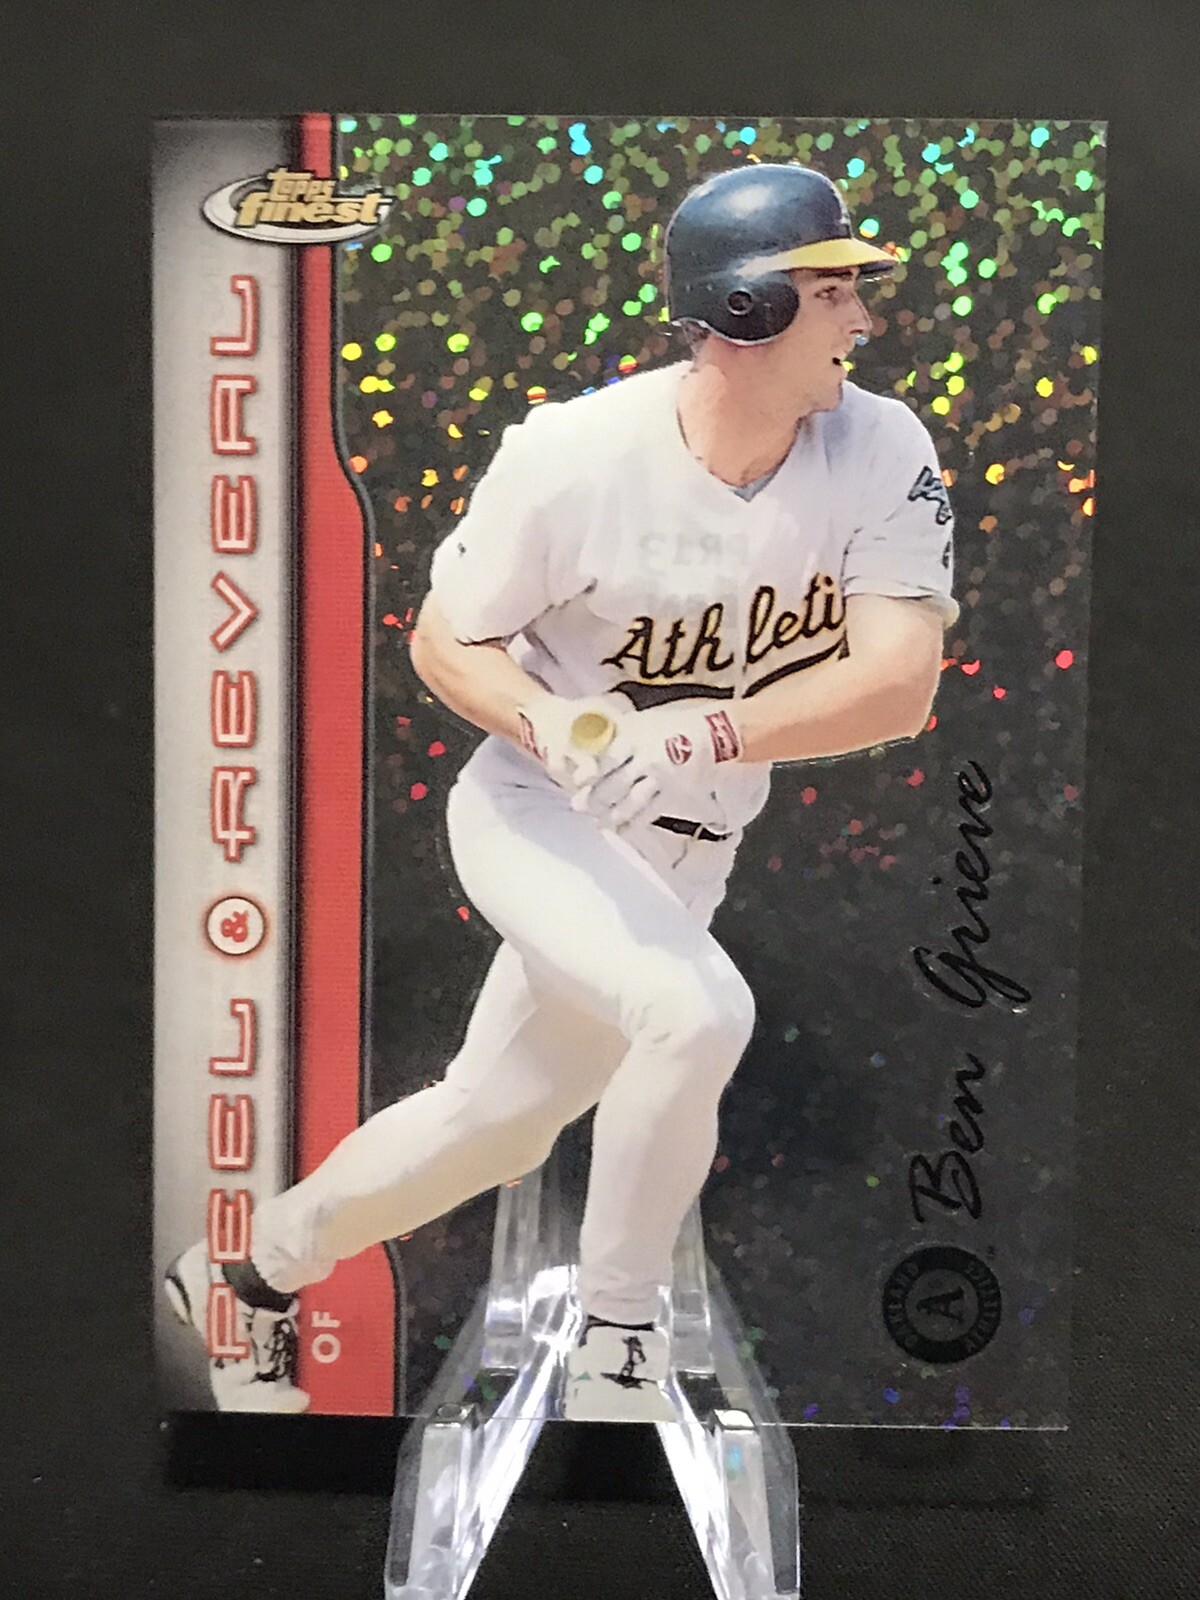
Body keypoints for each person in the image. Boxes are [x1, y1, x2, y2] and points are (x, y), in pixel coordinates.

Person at [165, 162, 957, 1421]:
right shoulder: (575, 453)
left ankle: (252, 1271)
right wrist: (546, 717)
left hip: (692, 844)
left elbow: (899, 683)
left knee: (494, 1125)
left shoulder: (880, 444)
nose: (861, 319)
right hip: (542, 812)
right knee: (697, 1015)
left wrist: (703, 732)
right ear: (746, 308)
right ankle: (620, 1338)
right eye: (831, 293)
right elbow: (445, 639)